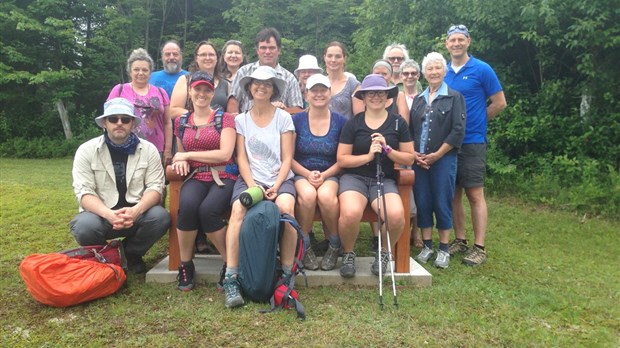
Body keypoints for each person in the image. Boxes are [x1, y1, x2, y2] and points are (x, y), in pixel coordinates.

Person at [222, 66, 297, 308]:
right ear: (249, 87)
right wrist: (254, 185)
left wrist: (275, 186)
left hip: (280, 178)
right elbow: (241, 157)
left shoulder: (284, 118)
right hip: (250, 179)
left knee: (287, 209)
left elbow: (287, 158)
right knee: (237, 211)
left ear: (273, 89)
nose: (261, 87)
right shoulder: (241, 119)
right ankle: (231, 277)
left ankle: (287, 273)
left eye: (267, 83)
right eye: (256, 83)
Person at [70, 98, 170, 274]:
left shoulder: (149, 150)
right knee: (83, 226)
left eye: (125, 119)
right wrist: (108, 214)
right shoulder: (86, 150)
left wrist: (136, 211)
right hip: (101, 215)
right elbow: (84, 192)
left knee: (160, 217)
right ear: (104, 123)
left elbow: (156, 187)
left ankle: (130, 255)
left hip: (137, 213)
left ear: (132, 124)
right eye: (113, 119)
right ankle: (104, 258)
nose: (119, 123)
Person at [336, 74, 415, 278]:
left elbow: (409, 157)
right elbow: (342, 159)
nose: (376, 97)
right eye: (371, 93)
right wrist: (369, 156)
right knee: (351, 213)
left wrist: (388, 151)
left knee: (396, 216)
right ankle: (348, 253)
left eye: (380, 92)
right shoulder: (353, 124)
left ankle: (384, 253)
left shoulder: (398, 124)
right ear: (363, 97)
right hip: (354, 178)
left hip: (384, 178)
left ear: (387, 96)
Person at [444, 24, 507, 266]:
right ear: (447, 44)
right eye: (452, 40)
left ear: (468, 41)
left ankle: (479, 247)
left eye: (461, 39)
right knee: (453, 194)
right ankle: (460, 240)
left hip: (472, 141)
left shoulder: (482, 69)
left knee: (474, 193)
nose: (456, 44)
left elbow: (500, 103)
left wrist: (478, 120)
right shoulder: (444, 71)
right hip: (448, 142)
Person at [170, 71, 237, 291]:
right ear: (190, 92)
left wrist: (187, 156)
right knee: (187, 208)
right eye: (197, 89)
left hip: (223, 174)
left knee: (208, 210)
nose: (201, 94)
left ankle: (230, 264)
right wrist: (181, 161)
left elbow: (225, 154)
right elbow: (180, 153)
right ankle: (186, 265)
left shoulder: (224, 118)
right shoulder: (181, 121)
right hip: (196, 176)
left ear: (212, 93)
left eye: (206, 90)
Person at [410, 52, 465, 269]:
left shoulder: (454, 97)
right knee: (423, 201)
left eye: (438, 68)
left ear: (445, 71)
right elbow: (412, 130)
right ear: (424, 73)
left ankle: (443, 248)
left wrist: (438, 154)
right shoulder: (418, 100)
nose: (434, 72)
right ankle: (427, 245)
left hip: (443, 160)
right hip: (420, 161)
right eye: (430, 69)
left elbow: (458, 131)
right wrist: (415, 154)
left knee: (442, 200)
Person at [292, 74, 348, 271]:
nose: (318, 94)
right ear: (306, 94)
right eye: (313, 90)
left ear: (330, 93)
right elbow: (287, 157)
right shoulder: (296, 120)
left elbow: (343, 158)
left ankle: (334, 243)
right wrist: (307, 174)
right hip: (301, 171)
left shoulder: (341, 122)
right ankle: (304, 245)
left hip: (331, 172)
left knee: (326, 197)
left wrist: (324, 175)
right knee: (307, 196)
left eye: (322, 90)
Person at [107, 48, 172, 168]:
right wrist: (109, 144)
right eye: (136, 69)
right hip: (125, 147)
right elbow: (108, 120)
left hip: (156, 149)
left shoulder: (161, 92)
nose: (140, 73)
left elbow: (167, 122)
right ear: (130, 72)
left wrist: (168, 149)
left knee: (156, 184)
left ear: (150, 72)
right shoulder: (119, 90)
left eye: (145, 70)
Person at [229, 27, 303, 114]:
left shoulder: (289, 78)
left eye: (271, 48)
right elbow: (233, 102)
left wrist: (278, 111)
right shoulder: (244, 72)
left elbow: (298, 110)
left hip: (278, 126)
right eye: (263, 48)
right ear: (257, 50)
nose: (267, 52)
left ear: (279, 50)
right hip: (245, 125)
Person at [396, 59, 424, 248]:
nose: (410, 76)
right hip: (404, 149)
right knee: (406, 189)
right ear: (400, 76)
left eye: (413, 73)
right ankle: (402, 232)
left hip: (421, 148)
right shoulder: (396, 97)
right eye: (406, 74)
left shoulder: (424, 97)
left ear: (418, 75)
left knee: (419, 190)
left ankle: (417, 232)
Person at [170, 41, 230, 119]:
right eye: (203, 55)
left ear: (217, 58)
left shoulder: (226, 84)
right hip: (191, 128)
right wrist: (202, 116)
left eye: (211, 54)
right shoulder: (185, 80)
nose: (207, 58)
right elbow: (173, 111)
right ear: (196, 58)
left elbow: (230, 115)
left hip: (220, 130)